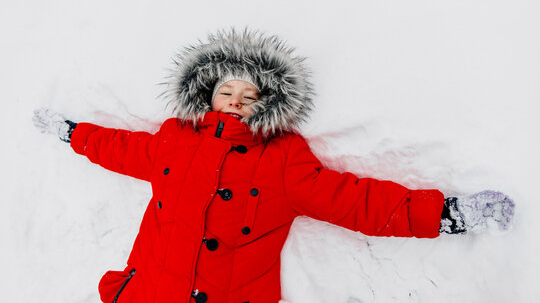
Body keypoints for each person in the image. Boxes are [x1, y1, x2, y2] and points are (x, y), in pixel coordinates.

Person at [33, 28, 515, 303]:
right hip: (150, 293)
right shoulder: (174, 143)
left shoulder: (281, 160)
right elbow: (117, 147)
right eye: (226, 91)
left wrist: (448, 214)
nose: (236, 101)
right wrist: (71, 132)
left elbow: (354, 201)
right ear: (206, 94)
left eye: (250, 95)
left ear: (268, 104)